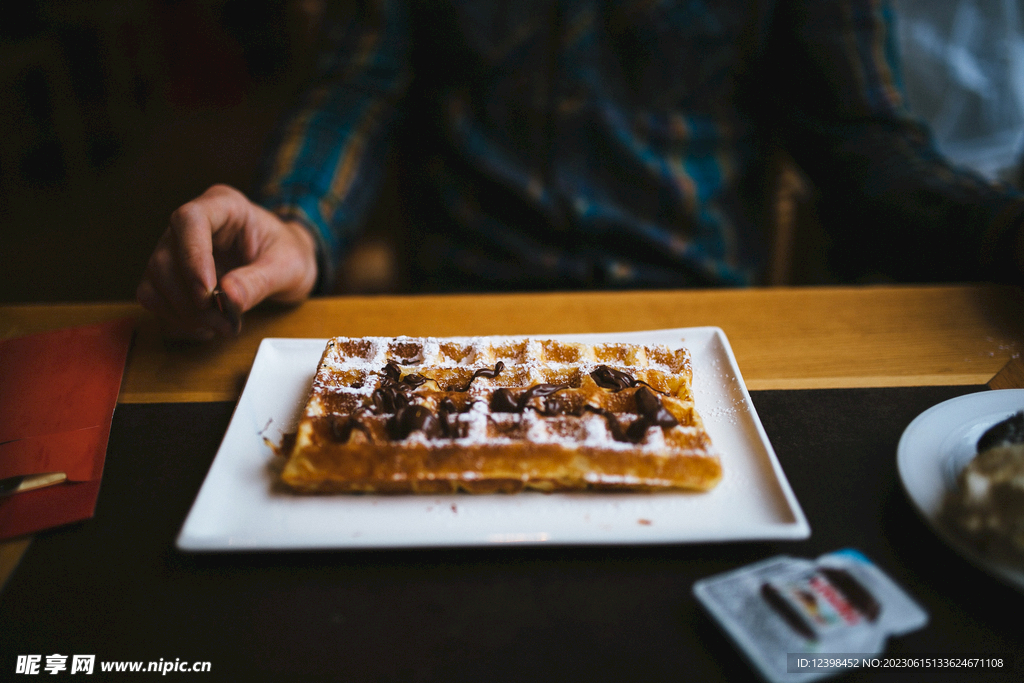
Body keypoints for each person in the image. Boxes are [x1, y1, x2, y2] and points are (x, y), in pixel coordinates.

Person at [138, 0, 1024, 339]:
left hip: (709, 333)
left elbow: (866, 145)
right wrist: (293, 223)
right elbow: (358, 87)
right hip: (462, 326)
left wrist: (997, 231)